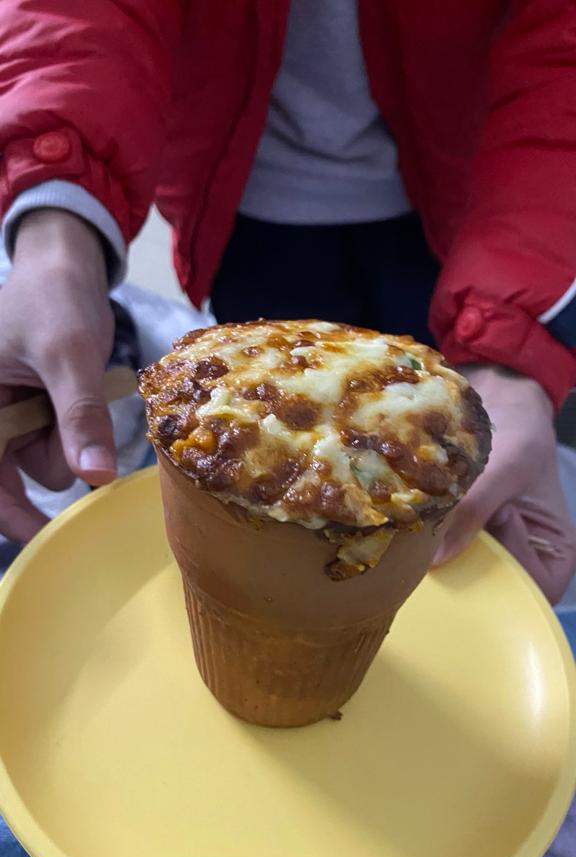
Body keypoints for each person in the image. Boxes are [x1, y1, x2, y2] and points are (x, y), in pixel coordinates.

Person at [0, 0, 575, 606]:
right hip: (243, 186)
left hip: (475, 185)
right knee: (256, 451)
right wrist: (56, 243)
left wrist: (515, 346)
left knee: (420, 438)